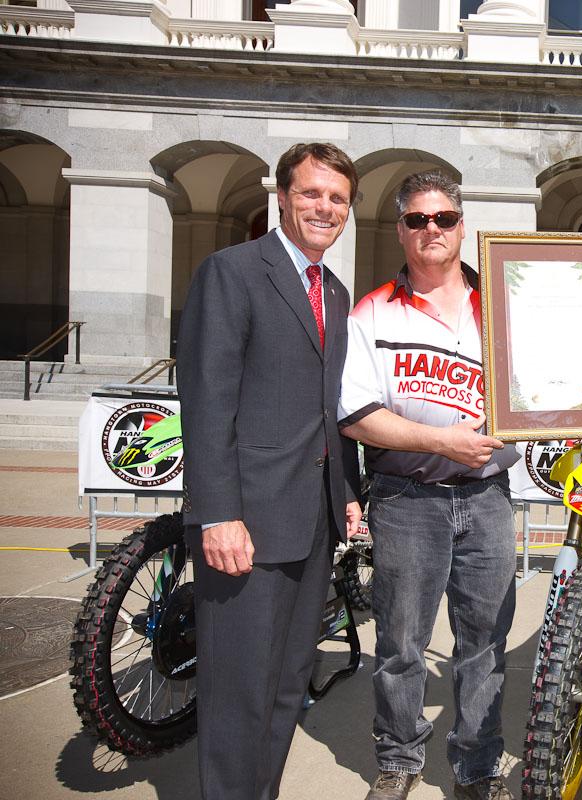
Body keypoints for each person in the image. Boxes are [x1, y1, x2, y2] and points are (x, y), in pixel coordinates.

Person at [177, 141, 363, 800]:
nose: (324, 207)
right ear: (281, 196)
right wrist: (218, 514)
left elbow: (327, 404)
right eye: (311, 193)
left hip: (312, 521)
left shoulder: (336, 292)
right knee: (237, 692)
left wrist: (344, 490)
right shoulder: (231, 272)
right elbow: (205, 403)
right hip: (247, 522)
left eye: (337, 198)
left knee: (287, 685)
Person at [338, 171, 519, 800]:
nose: (432, 230)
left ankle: (475, 762)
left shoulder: (502, 304)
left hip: (488, 498)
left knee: (485, 644)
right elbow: (359, 416)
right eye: (418, 219)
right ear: (401, 230)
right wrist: (442, 440)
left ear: (462, 225)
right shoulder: (372, 311)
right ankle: (398, 757)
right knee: (401, 643)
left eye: (443, 218)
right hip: (407, 499)